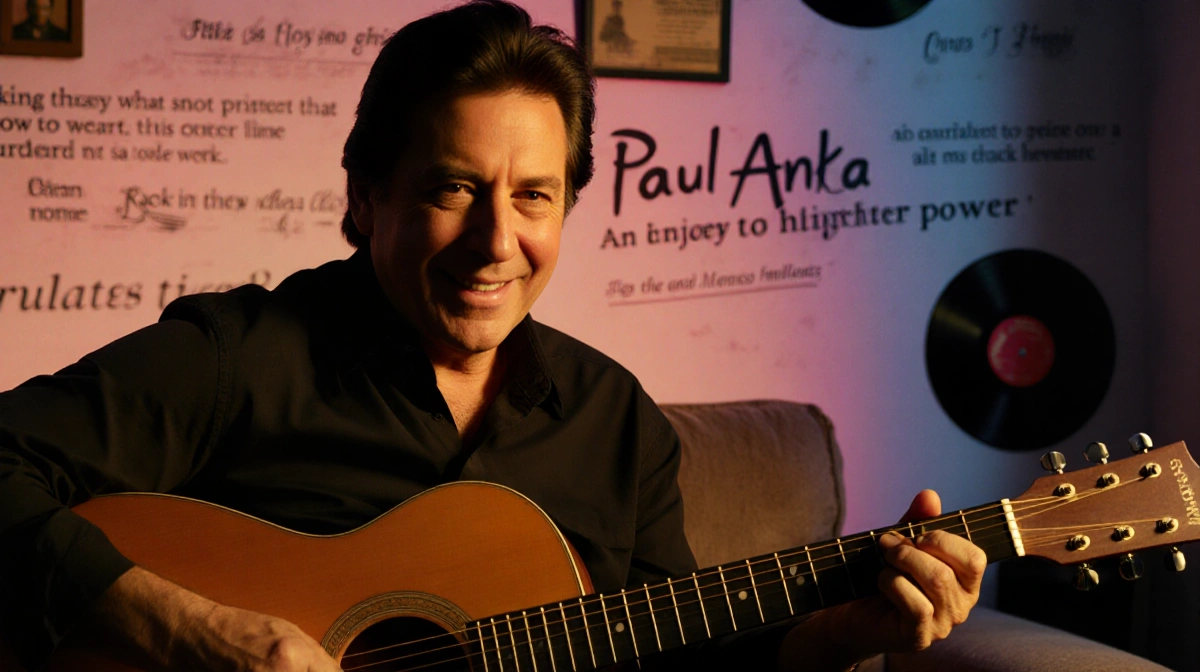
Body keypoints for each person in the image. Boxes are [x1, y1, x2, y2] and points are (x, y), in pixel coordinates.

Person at [0, 2, 985, 670]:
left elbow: (678, 651)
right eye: (453, 188)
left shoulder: (612, 419)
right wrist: (195, 634)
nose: (494, 242)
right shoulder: (239, 355)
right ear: (367, 195)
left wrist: (845, 628)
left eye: (533, 197)